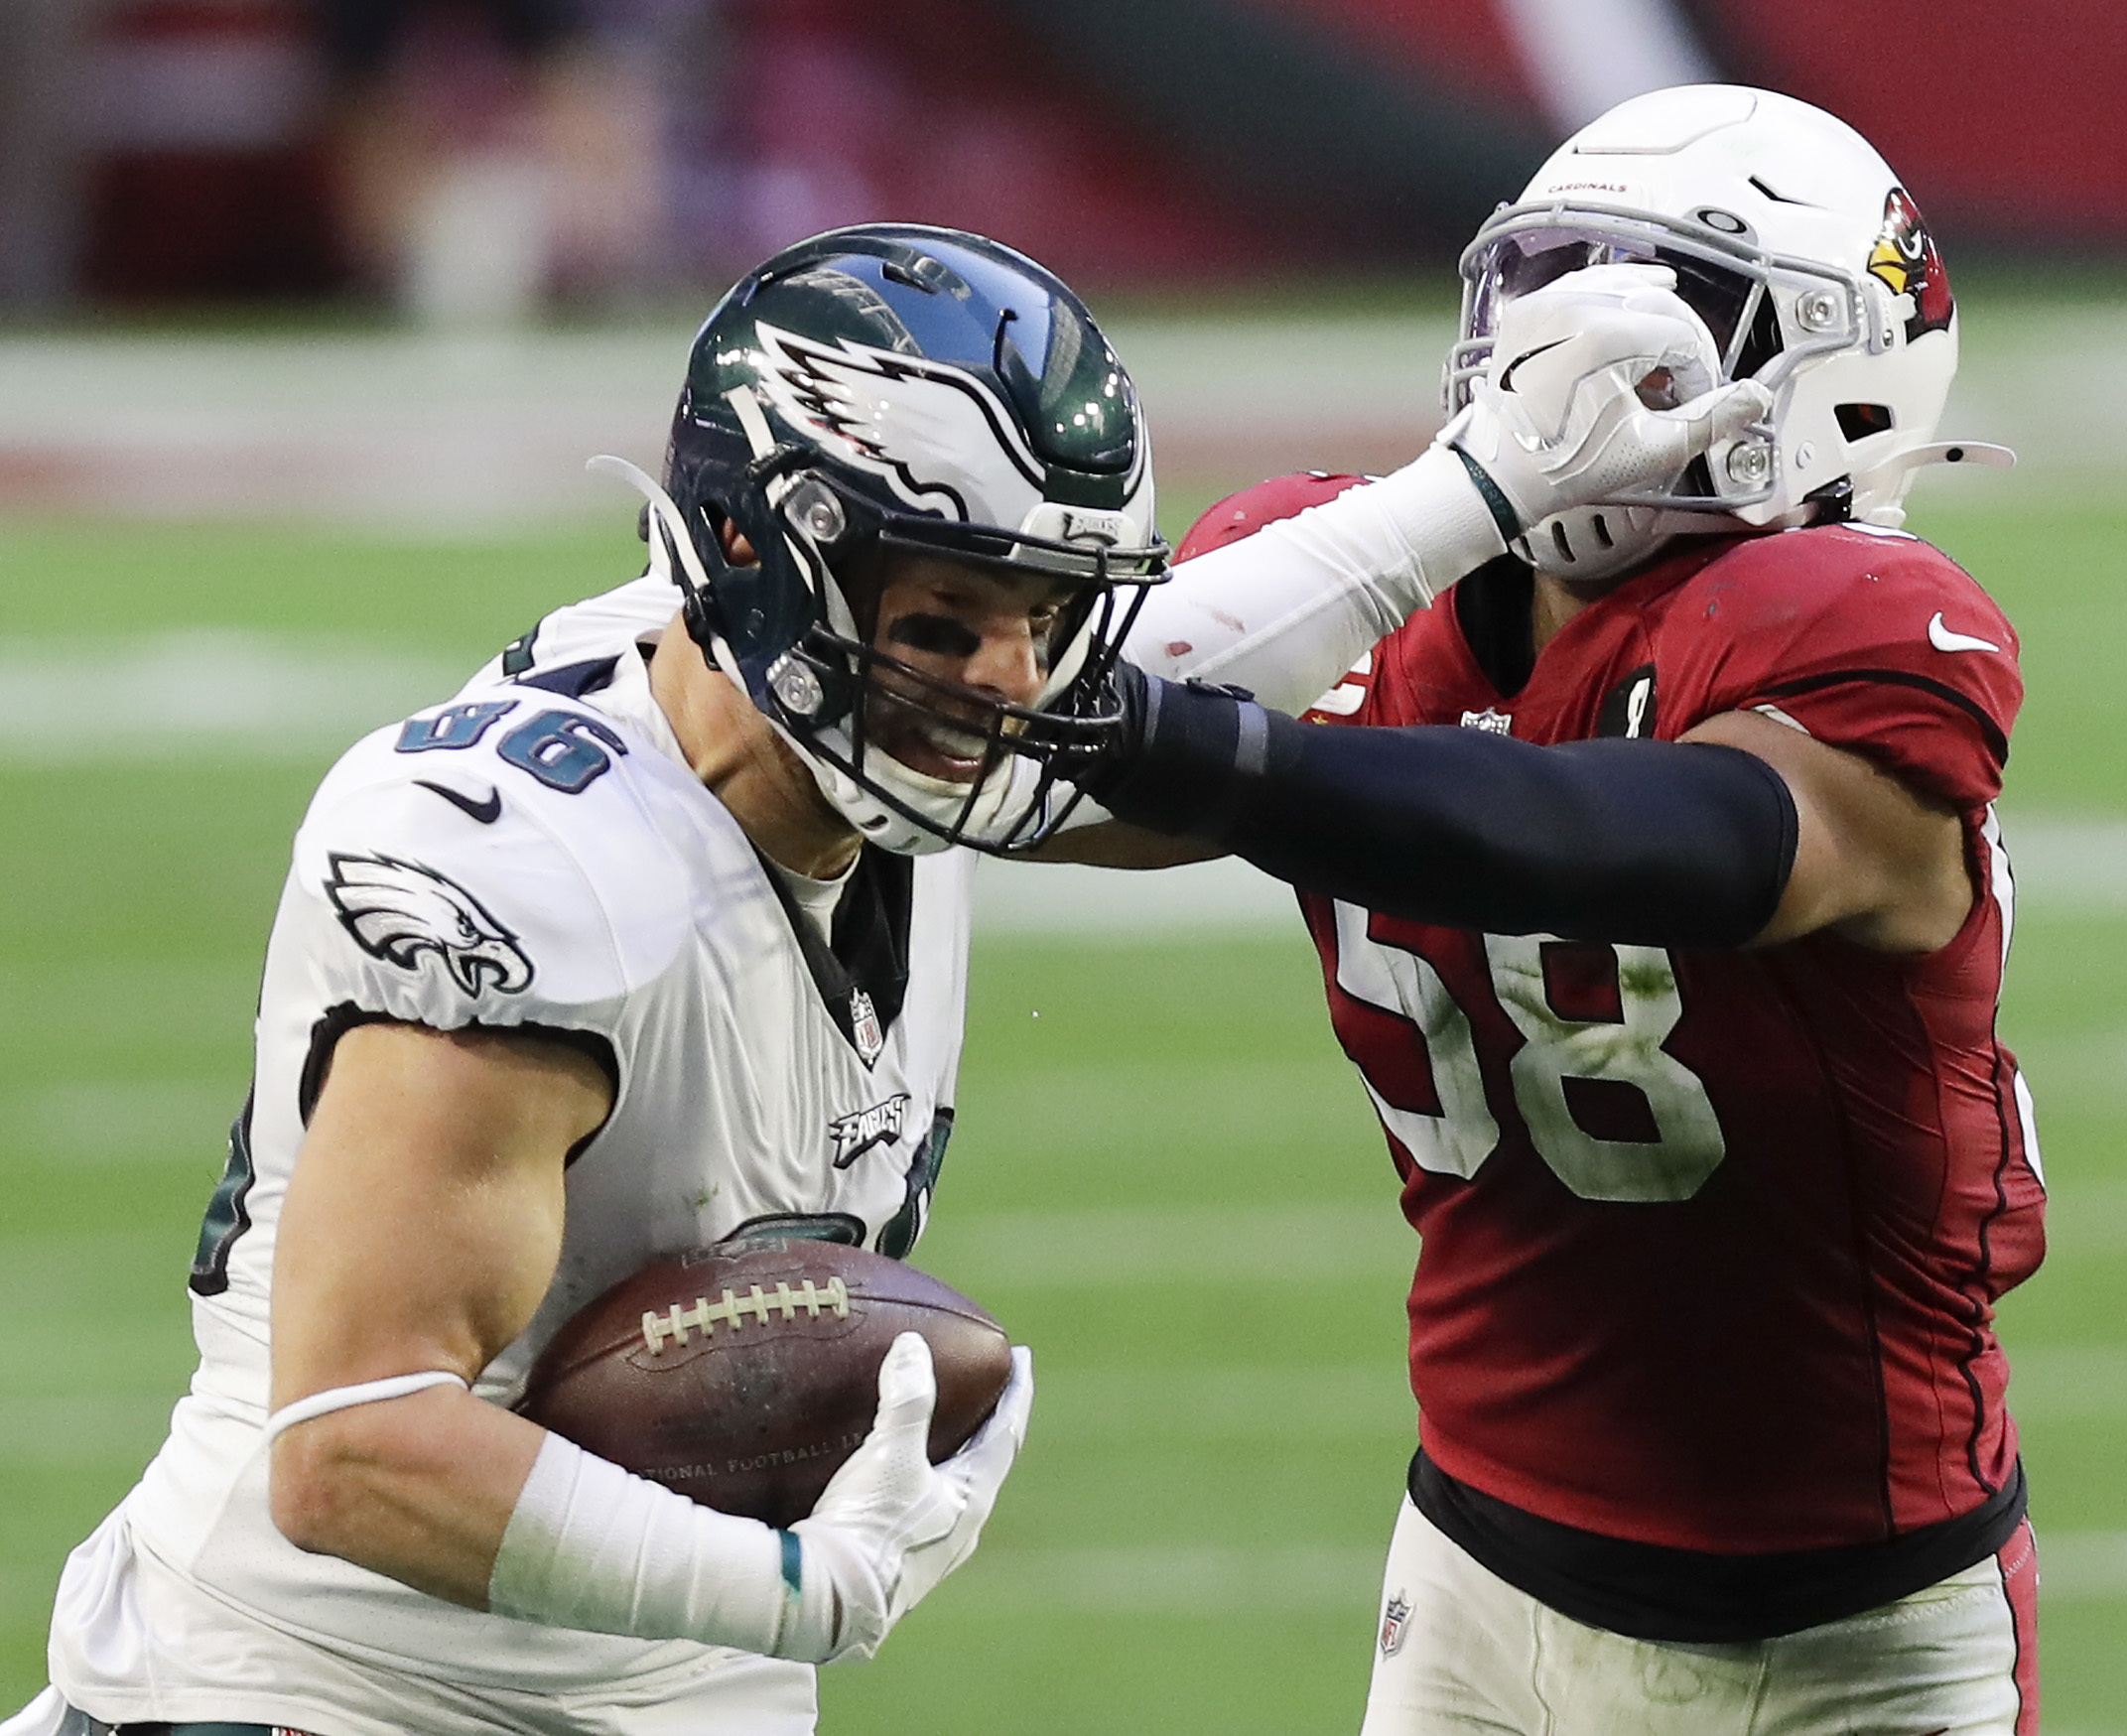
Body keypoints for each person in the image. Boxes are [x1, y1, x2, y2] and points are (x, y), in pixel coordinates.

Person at [4, 220, 1760, 1736]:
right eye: (944, 624)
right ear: (763, 567)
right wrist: (789, 1586)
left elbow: (1163, 672)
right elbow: (357, 1443)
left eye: (1040, 617)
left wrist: (1483, 489)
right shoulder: (522, 868)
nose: (1008, 687)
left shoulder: (853, 719)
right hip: (309, 1690)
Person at [1066, 85, 2048, 1735]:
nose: (1563, 372)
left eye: (1653, 330)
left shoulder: (1855, 624)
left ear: (1832, 373)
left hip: (1851, 1635)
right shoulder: (1356, 584)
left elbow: (1627, 840)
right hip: (1468, 1578)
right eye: (1542, 302)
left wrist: (1199, 747)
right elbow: (1030, 780)